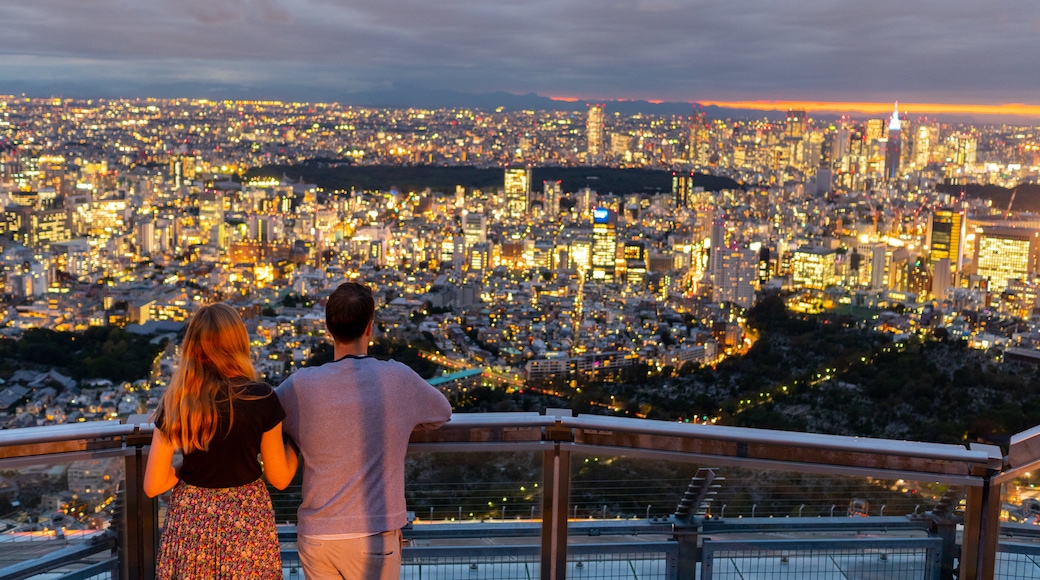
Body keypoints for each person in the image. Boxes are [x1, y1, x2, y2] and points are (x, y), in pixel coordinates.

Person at [277, 281, 452, 580]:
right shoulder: (397, 378)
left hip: (317, 535)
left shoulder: (299, 386)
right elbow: (442, 412)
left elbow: (267, 415)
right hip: (374, 533)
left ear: (328, 328)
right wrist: (400, 420)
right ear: (370, 327)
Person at [144, 303, 298, 579]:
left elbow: (154, 484)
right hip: (246, 520)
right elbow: (280, 478)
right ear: (239, 343)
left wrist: (182, 468)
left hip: (191, 518)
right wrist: (298, 444)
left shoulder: (178, 401)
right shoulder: (260, 398)